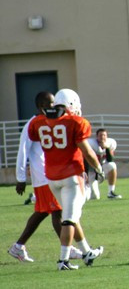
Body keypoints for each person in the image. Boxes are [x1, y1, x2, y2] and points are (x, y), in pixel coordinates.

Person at [27, 88, 105, 270]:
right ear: (71, 105)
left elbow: (36, 134)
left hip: (52, 178)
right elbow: (86, 150)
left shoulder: (39, 121)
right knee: (69, 218)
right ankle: (63, 260)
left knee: (71, 214)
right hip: (71, 176)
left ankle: (86, 252)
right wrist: (99, 168)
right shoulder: (75, 122)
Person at [8, 92, 82, 263]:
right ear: (41, 106)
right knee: (58, 212)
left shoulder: (49, 122)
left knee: (42, 212)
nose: (54, 106)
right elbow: (23, 151)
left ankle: (18, 247)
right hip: (43, 177)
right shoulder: (32, 124)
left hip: (51, 175)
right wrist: (20, 178)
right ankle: (68, 250)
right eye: (50, 103)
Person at [86, 128, 122, 199]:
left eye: (104, 135)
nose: (102, 137)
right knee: (94, 197)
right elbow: (86, 160)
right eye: (100, 135)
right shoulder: (91, 144)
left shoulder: (110, 143)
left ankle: (111, 192)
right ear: (97, 137)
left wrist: (107, 148)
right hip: (90, 169)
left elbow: (110, 159)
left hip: (101, 167)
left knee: (112, 165)